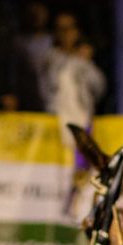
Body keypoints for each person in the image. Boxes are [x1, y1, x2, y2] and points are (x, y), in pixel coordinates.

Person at [42, 12, 106, 149]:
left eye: (69, 28)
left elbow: (99, 87)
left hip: (83, 121)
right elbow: (47, 87)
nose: (65, 33)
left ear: (77, 31)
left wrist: (85, 62)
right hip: (54, 122)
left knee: (81, 166)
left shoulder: (85, 60)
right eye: (60, 29)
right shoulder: (49, 58)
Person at [14, 2, 53, 112]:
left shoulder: (54, 41)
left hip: (51, 100)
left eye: (41, 12)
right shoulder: (19, 42)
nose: (36, 16)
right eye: (33, 13)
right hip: (26, 100)